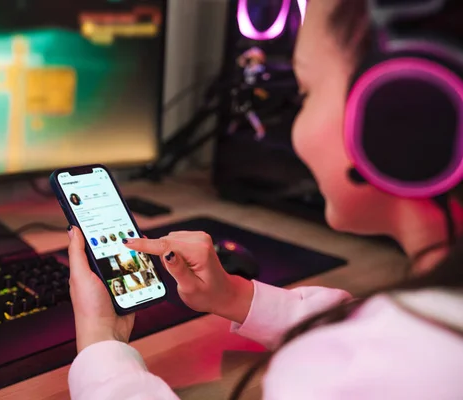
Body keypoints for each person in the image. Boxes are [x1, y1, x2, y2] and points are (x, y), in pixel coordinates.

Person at [65, 1, 463, 399]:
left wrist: (102, 344)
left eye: (304, 94)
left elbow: (364, 356)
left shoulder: (349, 374)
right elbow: (367, 322)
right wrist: (234, 296)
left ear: (410, 113)